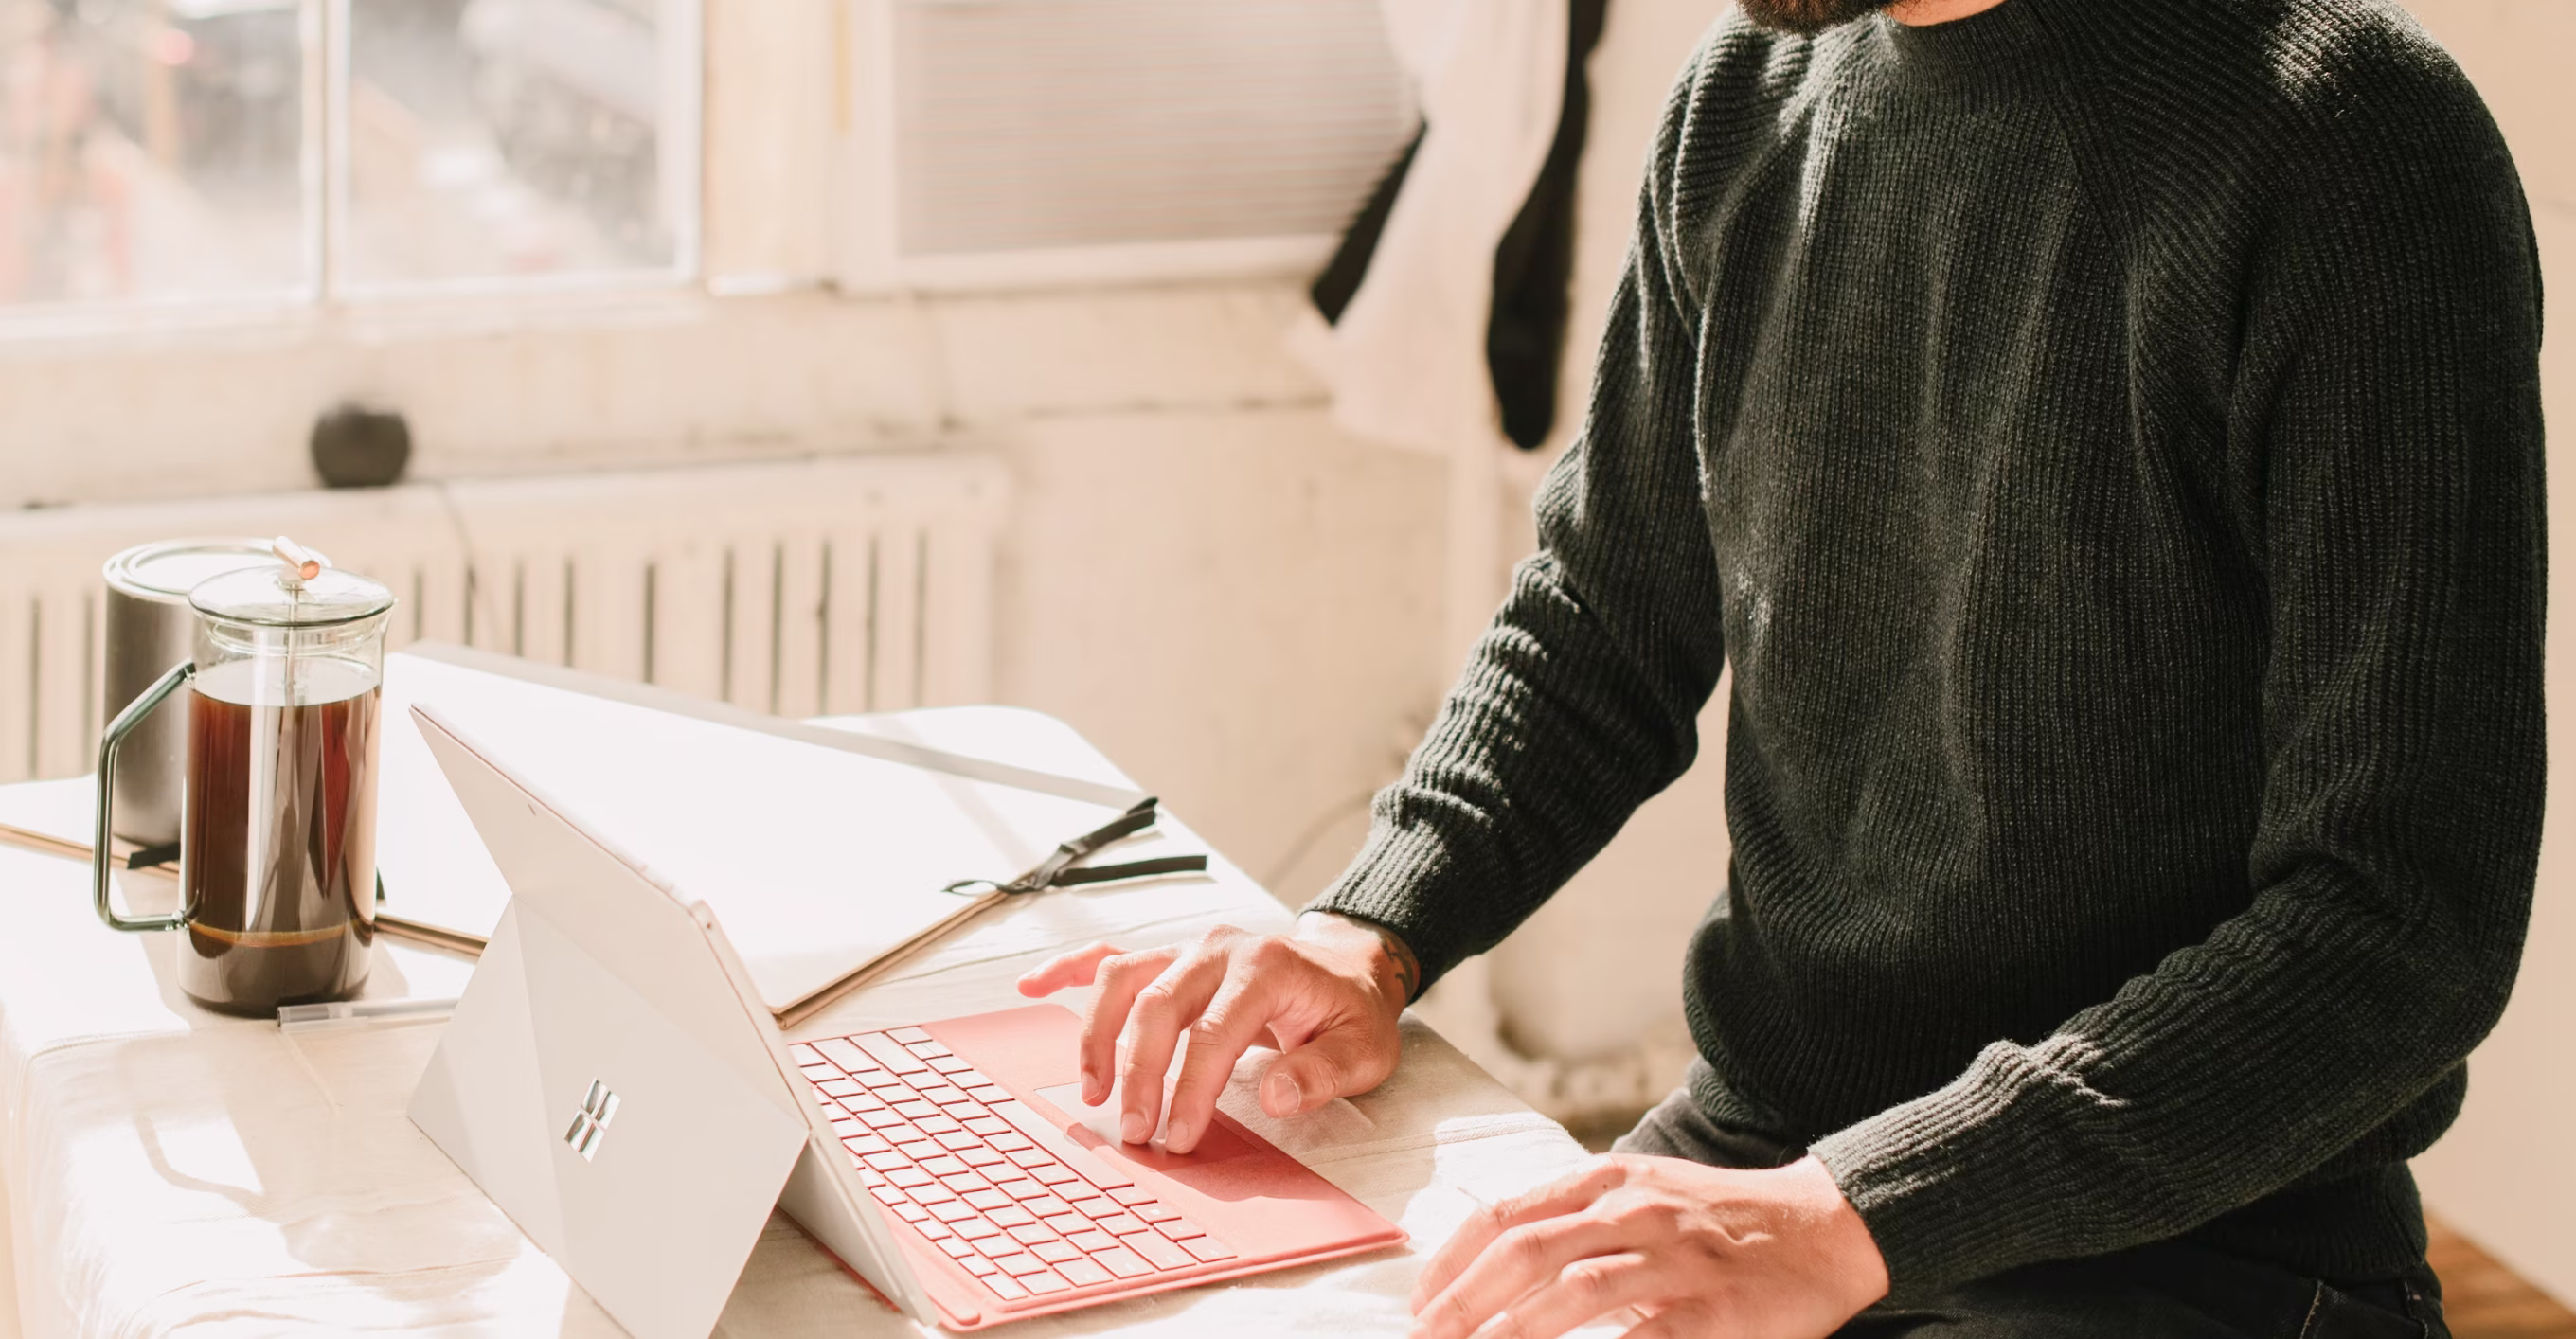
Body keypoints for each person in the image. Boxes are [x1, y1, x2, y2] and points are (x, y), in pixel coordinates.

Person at [1016, 0, 2547, 1330]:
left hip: (2183, 1255)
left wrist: (1857, 1211)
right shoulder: (1744, 101)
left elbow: (2400, 926)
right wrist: (1374, 924)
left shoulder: (2351, 143)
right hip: (1768, 1154)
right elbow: (1606, 615)